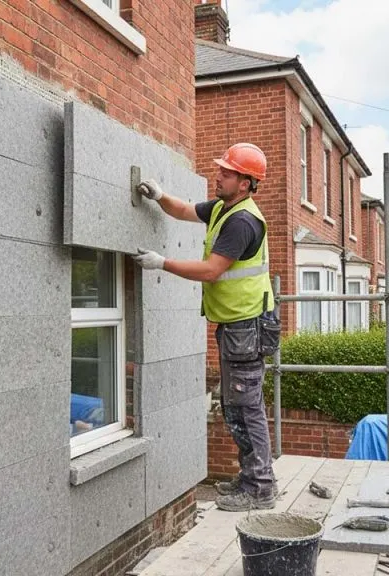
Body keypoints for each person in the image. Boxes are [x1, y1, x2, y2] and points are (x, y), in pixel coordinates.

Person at [133, 143, 279, 512]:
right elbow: (182, 209)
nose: (219, 175)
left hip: (247, 325)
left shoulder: (242, 221)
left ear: (245, 183)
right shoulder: (221, 208)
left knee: (246, 407)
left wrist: (161, 263)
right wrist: (160, 196)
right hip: (236, 325)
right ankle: (250, 477)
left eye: (227, 173)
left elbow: (213, 270)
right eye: (221, 170)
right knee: (234, 406)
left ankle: (261, 487)